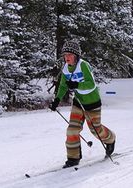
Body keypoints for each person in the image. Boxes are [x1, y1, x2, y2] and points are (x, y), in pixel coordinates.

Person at [49, 40, 116, 168]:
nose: (67, 57)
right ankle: (73, 158)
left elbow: (91, 85)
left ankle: (111, 138)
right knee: (72, 130)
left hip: (92, 103)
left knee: (95, 131)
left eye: (70, 55)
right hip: (78, 103)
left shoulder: (83, 65)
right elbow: (63, 86)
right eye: (65, 55)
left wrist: (77, 85)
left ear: (76, 55)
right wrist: (56, 100)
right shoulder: (65, 69)